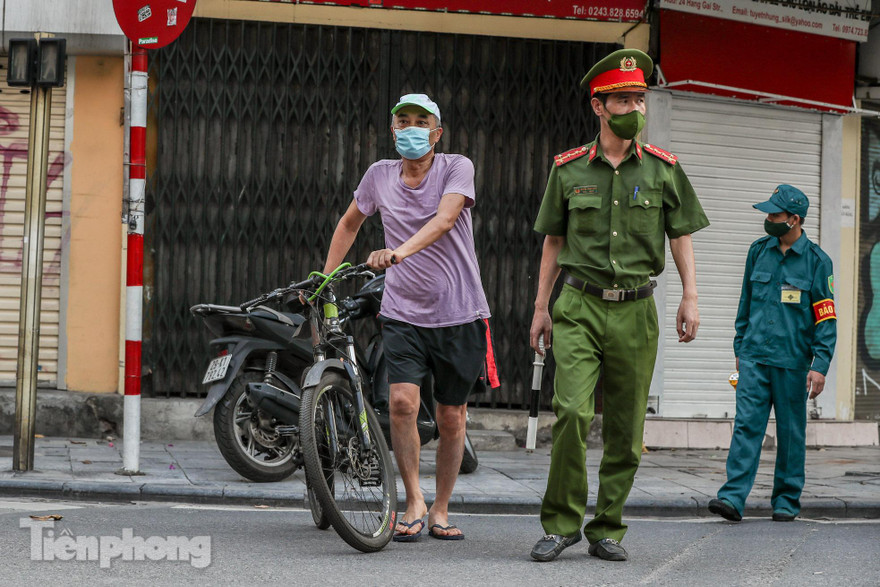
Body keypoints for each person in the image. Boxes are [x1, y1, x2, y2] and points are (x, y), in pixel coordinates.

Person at [528, 48, 710, 562]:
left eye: (639, 99)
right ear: (599, 106)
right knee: (571, 412)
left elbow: (680, 235)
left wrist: (691, 296)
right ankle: (561, 524)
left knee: (627, 428)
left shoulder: (663, 170)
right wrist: (541, 307)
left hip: (636, 309)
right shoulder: (567, 170)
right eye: (624, 99)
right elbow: (553, 242)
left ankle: (607, 527)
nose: (635, 108)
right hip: (578, 306)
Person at [322, 93, 492, 542]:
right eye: (403, 121)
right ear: (392, 129)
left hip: (459, 311)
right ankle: (414, 500)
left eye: (421, 121)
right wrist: (325, 278)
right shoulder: (378, 175)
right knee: (401, 403)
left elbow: (445, 219)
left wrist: (396, 252)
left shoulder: (456, 167)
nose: (411, 128)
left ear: (437, 133)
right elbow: (349, 223)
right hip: (402, 312)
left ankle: (441, 508)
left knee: (452, 416)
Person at [709, 185, 837, 523]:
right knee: (746, 427)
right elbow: (745, 302)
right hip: (754, 357)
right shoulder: (758, 252)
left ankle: (786, 500)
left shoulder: (818, 262)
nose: (768, 219)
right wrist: (740, 346)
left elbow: (826, 318)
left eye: (775, 214)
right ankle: (732, 497)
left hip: (793, 362)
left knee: (791, 434)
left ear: (794, 219)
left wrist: (820, 365)